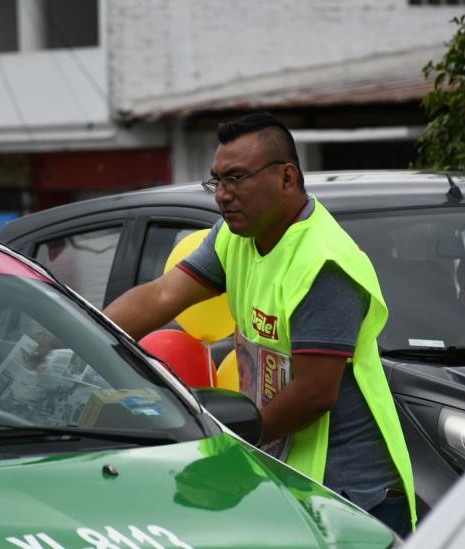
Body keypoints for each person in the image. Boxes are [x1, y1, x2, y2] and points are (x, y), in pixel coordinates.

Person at [103, 112, 416, 535]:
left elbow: (313, 392)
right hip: (289, 478)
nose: (222, 196)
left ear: (287, 178)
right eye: (217, 181)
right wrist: (83, 338)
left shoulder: (323, 263)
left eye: (236, 179)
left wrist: (232, 450)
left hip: (352, 497)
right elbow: (161, 295)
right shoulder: (235, 236)